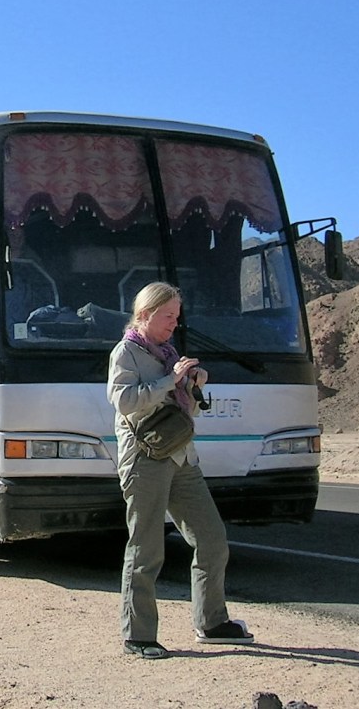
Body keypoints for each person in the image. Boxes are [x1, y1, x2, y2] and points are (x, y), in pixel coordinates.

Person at [107, 282, 254, 660]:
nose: (175, 323)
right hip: (145, 459)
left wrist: (193, 383)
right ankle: (138, 636)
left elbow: (185, 409)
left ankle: (212, 622)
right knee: (146, 548)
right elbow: (124, 401)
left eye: (177, 316)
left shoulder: (168, 351)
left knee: (212, 538)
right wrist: (169, 380)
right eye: (167, 316)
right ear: (145, 315)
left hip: (182, 457)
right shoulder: (127, 352)